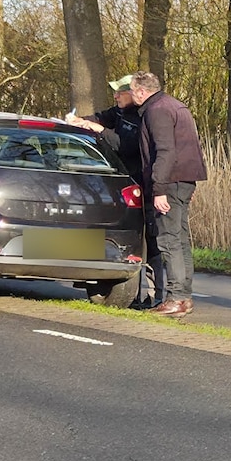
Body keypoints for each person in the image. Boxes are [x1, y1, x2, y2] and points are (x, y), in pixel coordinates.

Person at [67, 74, 165, 309]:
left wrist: (98, 130)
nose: (116, 96)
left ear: (133, 93)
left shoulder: (142, 118)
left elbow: (125, 144)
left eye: (120, 92)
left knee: (151, 243)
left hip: (141, 187)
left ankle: (158, 295)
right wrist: (79, 121)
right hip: (121, 187)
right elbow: (101, 117)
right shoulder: (119, 112)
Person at [128, 71, 208, 318]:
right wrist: (187, 182)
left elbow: (165, 152)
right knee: (180, 240)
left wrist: (159, 189)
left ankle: (175, 298)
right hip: (183, 180)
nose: (131, 96)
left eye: (132, 91)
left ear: (141, 91)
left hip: (170, 182)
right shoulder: (175, 105)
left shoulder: (157, 110)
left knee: (169, 240)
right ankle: (183, 297)